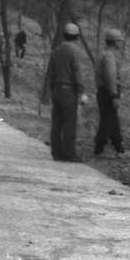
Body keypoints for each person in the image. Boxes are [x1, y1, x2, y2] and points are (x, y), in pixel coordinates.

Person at [47, 22, 90, 161]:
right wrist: (82, 91)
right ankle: (69, 154)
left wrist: (52, 89)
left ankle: (56, 152)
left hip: (56, 91)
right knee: (69, 123)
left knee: (56, 123)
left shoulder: (56, 51)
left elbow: (51, 73)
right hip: (69, 91)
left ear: (64, 36)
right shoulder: (74, 52)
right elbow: (77, 72)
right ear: (76, 37)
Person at [93, 27, 126, 156]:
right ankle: (99, 148)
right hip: (108, 92)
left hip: (104, 91)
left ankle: (119, 148)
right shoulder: (109, 56)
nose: (121, 43)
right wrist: (114, 95)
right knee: (107, 121)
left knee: (112, 120)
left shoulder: (104, 54)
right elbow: (110, 76)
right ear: (114, 42)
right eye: (119, 41)